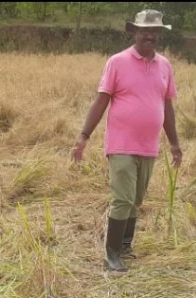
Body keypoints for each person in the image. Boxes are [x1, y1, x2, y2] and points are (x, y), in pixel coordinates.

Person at [71, 9, 182, 273]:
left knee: (136, 199)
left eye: (154, 31)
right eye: (144, 30)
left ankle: (125, 244)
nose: (149, 35)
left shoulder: (165, 66)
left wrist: (175, 143)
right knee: (122, 198)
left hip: (149, 146)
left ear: (159, 34)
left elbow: (167, 108)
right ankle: (111, 254)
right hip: (121, 144)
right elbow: (101, 101)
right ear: (134, 32)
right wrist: (83, 137)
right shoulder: (117, 62)